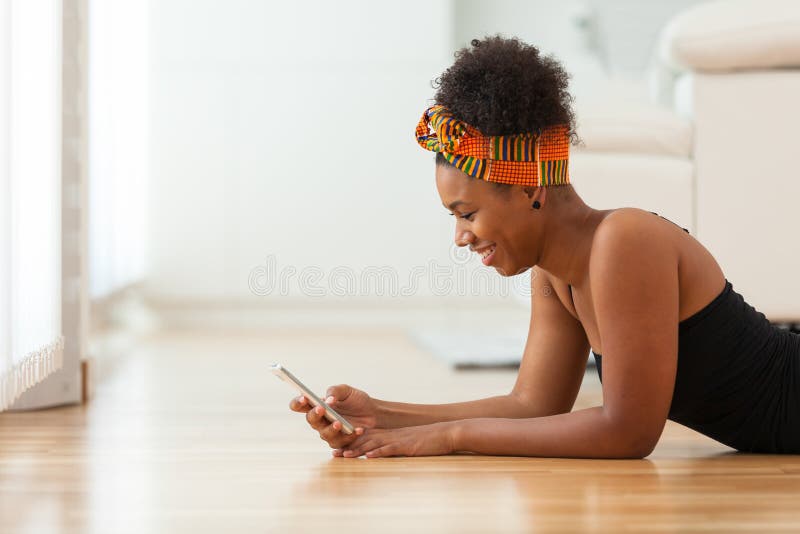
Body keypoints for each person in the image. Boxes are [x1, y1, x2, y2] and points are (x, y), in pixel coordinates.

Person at [289, 36, 800, 458]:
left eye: (468, 213)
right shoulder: (554, 274)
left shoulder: (625, 241)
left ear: (531, 187)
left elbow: (628, 432)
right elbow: (534, 405)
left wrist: (448, 437)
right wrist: (384, 415)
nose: (460, 237)